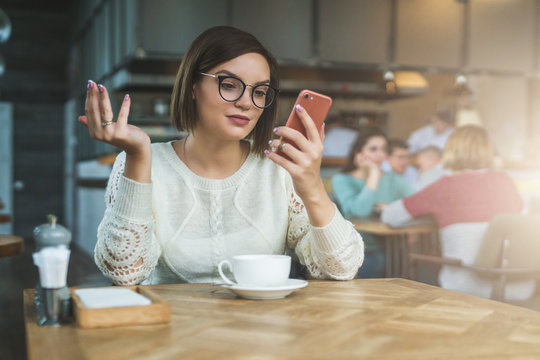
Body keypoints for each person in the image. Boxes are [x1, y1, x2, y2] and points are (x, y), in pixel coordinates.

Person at [78, 26, 364, 285]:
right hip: (172, 336)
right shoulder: (141, 164)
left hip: (266, 335)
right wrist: (138, 155)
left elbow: (341, 268)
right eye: (229, 84)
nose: (246, 103)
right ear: (193, 87)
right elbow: (125, 272)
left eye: (260, 92)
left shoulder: (279, 169)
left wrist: (312, 185)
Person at [381, 125, 530, 300]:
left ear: (450, 151)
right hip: (517, 284)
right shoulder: (506, 182)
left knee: (415, 270)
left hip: (465, 286)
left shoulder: (445, 186)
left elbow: (390, 217)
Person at [331, 128, 415, 278]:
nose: (380, 154)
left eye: (383, 149)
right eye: (373, 149)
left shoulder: (393, 180)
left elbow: (418, 203)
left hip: (390, 250)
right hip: (356, 252)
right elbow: (359, 211)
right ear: (358, 152)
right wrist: (374, 174)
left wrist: (392, 208)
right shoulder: (342, 180)